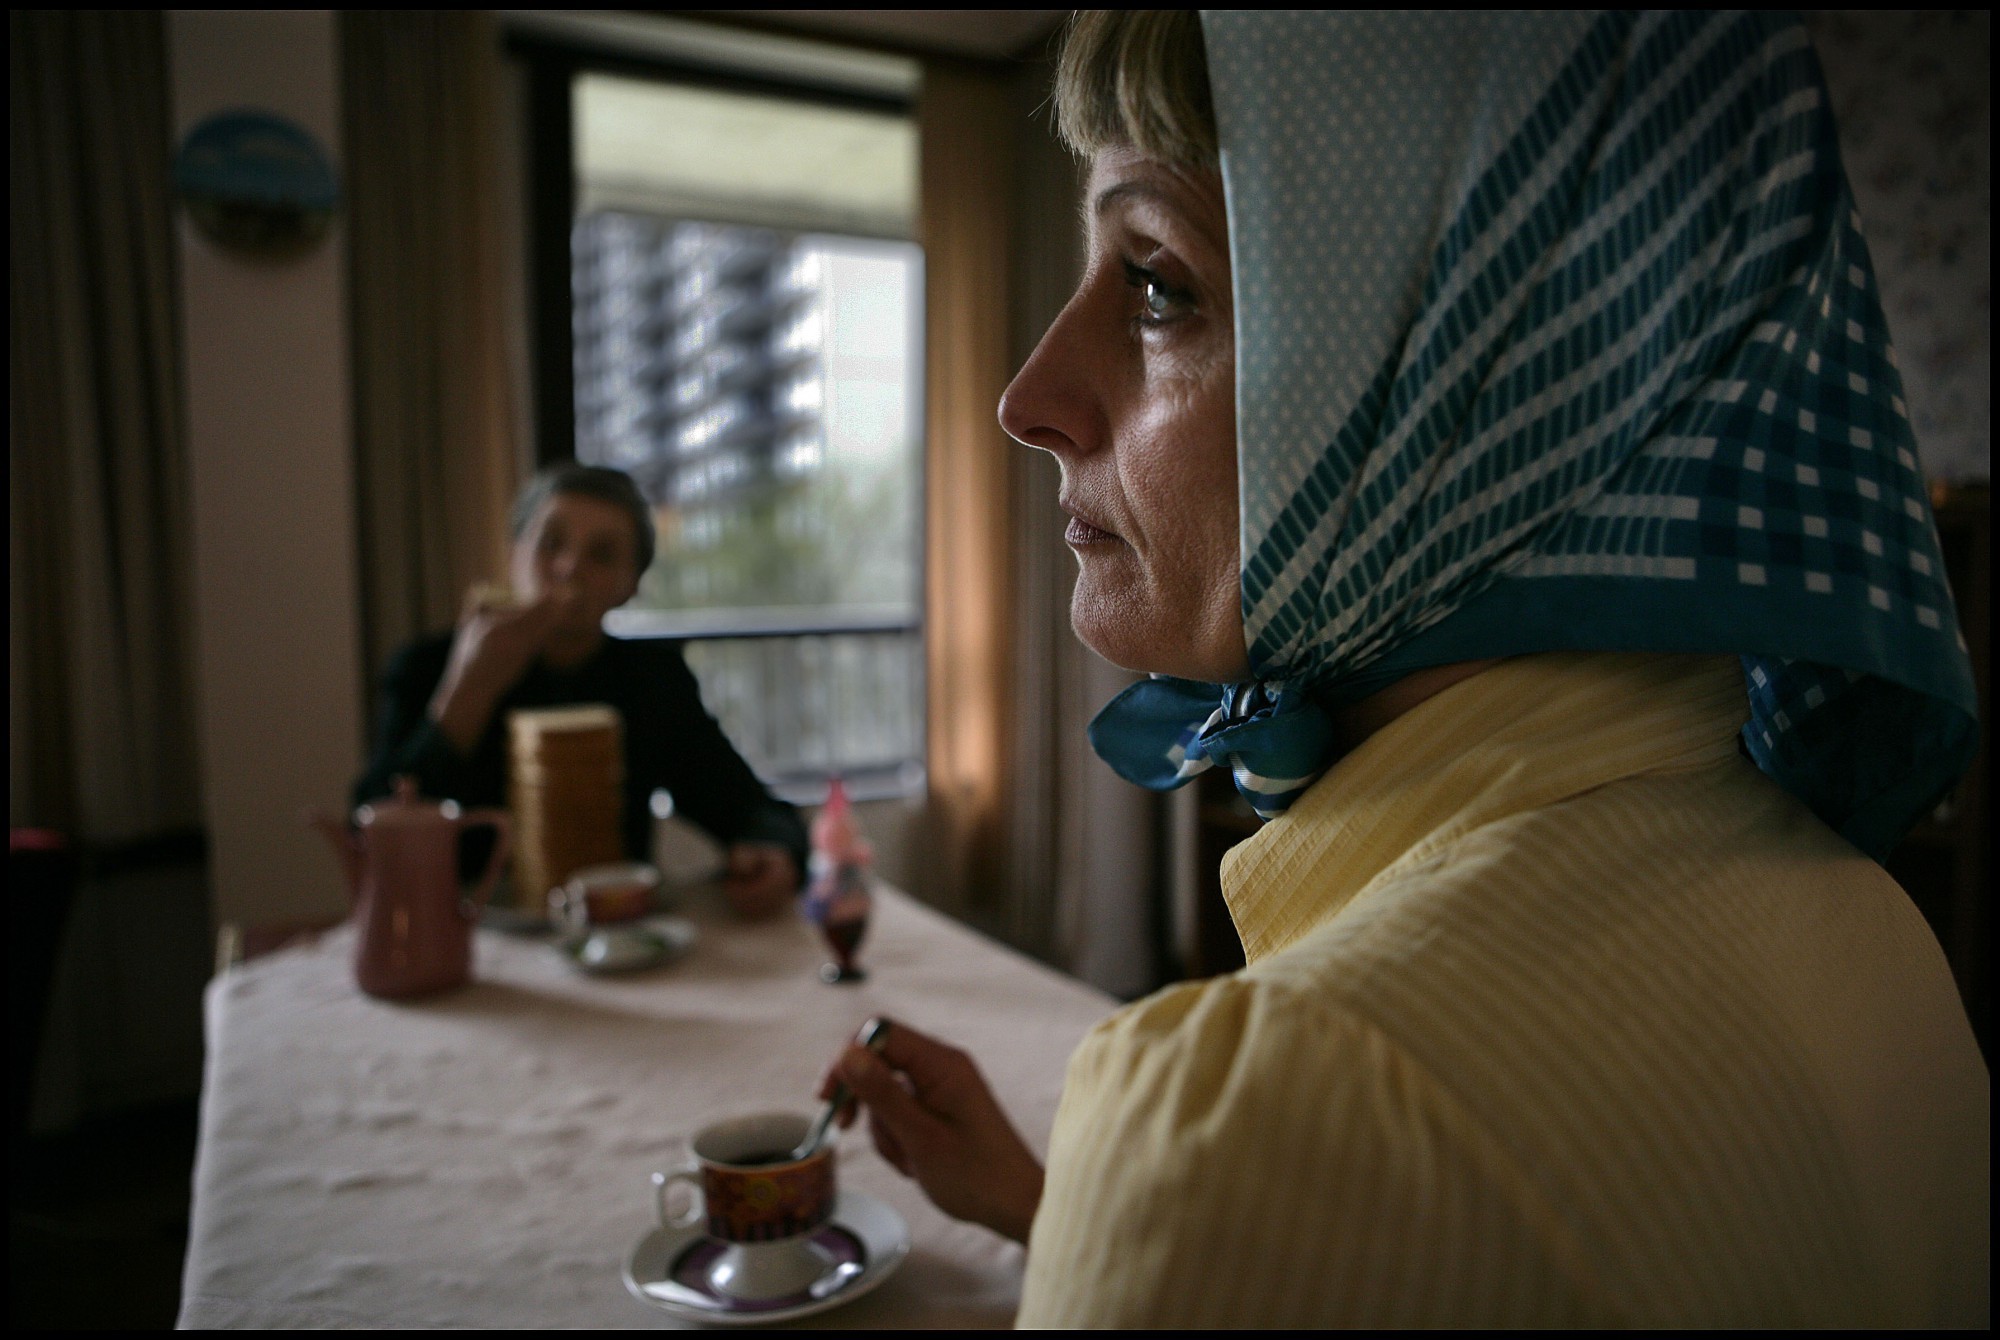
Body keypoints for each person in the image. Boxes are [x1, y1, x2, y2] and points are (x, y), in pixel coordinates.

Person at [823, 11, 1988, 1327]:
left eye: (1156, 285)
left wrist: (1161, 1205)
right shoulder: (1873, 927)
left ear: (1471, 376)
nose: (1027, 398)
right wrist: (1076, 1215)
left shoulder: (1275, 1120)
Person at [353, 464, 806, 916]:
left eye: (602, 555)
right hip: (463, 931)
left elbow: (746, 806)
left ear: (630, 585)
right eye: (551, 543)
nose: (569, 568)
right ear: (513, 554)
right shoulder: (426, 667)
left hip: (614, 932)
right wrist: (469, 688)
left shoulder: (651, 679)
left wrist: (774, 851)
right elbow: (368, 831)